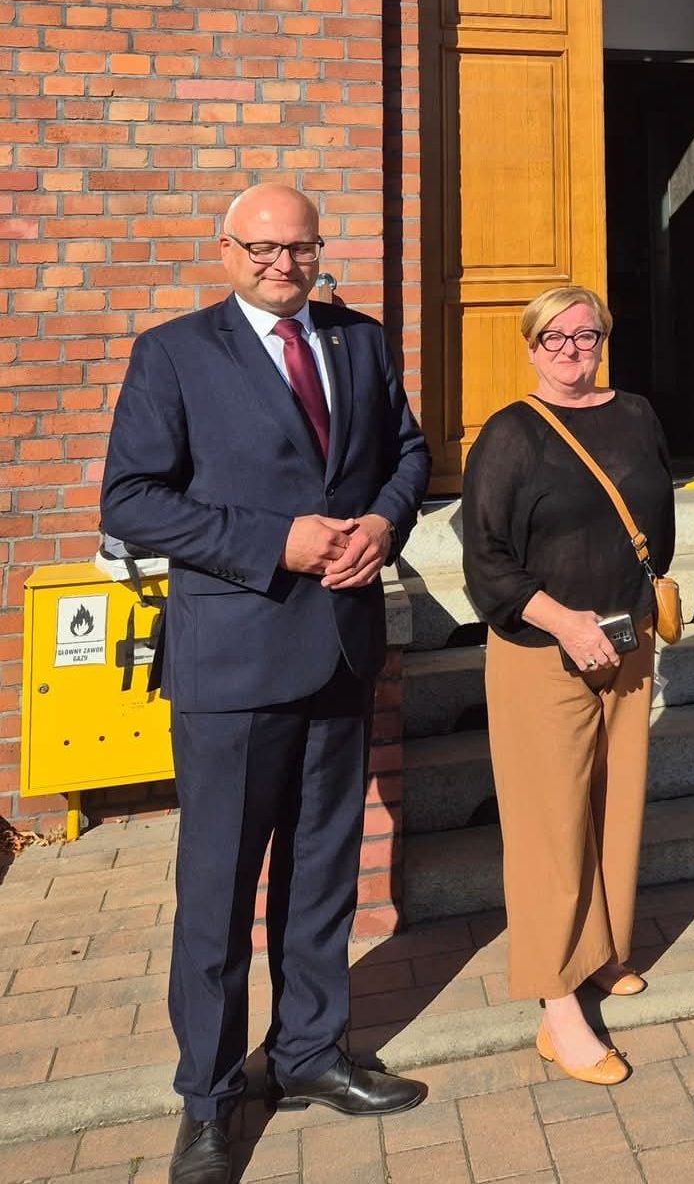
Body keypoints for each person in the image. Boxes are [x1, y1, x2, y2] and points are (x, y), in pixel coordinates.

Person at [101, 184, 432, 1184]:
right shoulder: (174, 353)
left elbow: (406, 455)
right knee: (217, 888)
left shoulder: (359, 341)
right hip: (233, 663)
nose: (283, 266)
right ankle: (207, 1099)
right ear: (226, 250)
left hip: (337, 646)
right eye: (262, 249)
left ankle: (308, 1050)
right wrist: (273, 541)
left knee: (323, 868)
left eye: (300, 249)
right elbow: (132, 500)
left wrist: (381, 523)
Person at [461, 286, 674, 1087]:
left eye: (585, 334)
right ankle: (557, 1004)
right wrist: (565, 619)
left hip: (625, 640)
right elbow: (486, 558)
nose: (571, 347)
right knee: (549, 823)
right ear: (529, 345)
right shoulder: (510, 434)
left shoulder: (638, 415)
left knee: (615, 804)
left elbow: (655, 520)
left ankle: (598, 952)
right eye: (553, 336)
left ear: (604, 339)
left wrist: (628, 613)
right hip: (541, 648)